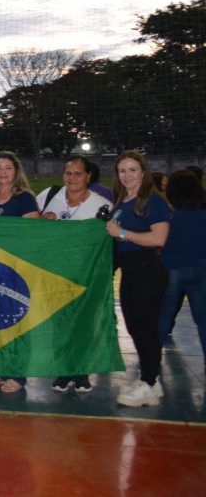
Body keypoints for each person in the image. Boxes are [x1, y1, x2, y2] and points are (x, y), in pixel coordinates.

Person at [37, 157, 114, 394]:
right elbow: (29, 222)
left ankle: (81, 371)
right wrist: (42, 220)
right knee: (59, 323)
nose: (72, 178)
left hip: (86, 276)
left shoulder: (103, 206)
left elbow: (108, 243)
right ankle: (64, 369)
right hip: (54, 273)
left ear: (88, 176)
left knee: (83, 324)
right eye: (68, 173)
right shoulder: (49, 197)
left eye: (78, 173)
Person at [107, 151, 171, 407]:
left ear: (143, 172)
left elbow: (159, 238)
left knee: (145, 329)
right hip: (130, 272)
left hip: (147, 271)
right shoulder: (123, 202)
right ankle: (151, 381)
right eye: (123, 171)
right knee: (135, 328)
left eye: (133, 170)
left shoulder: (152, 201)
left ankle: (149, 382)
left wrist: (122, 233)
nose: (127, 175)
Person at [0, 151, 38, 393]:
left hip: (17, 271)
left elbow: (31, 233)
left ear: (16, 171)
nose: (3, 172)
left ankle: (17, 374)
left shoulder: (24, 199)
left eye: (8, 167)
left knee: (17, 323)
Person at [157, 170, 205, 372]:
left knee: (162, 316)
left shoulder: (167, 215)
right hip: (202, 270)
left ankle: (151, 362)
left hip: (171, 270)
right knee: (203, 320)